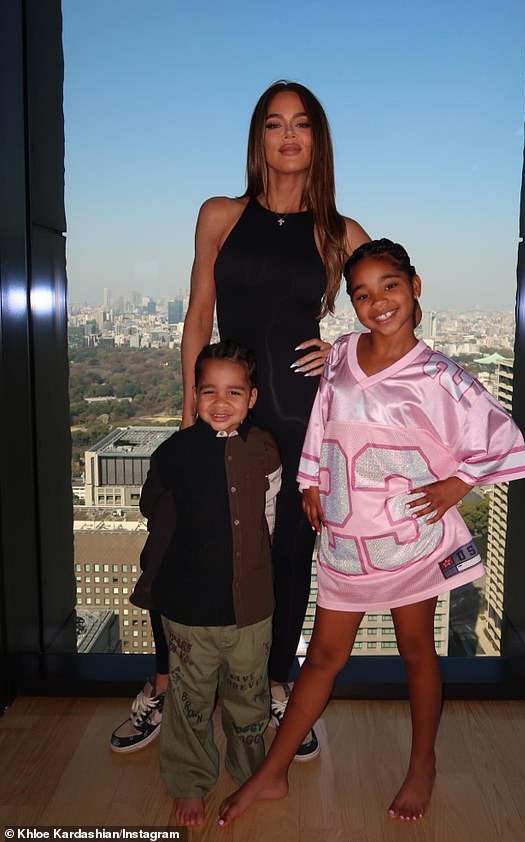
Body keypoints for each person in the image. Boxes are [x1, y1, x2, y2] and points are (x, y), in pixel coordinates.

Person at [216, 238, 525, 827]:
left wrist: (457, 485)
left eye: (390, 286)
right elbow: (322, 419)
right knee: (322, 657)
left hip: (409, 539)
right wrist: (311, 481)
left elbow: (501, 436)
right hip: (345, 539)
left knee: (416, 651)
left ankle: (422, 763)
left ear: (415, 286)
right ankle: (273, 771)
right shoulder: (341, 354)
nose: (378, 302)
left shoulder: (440, 375)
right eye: (361, 294)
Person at [110, 79, 368, 756]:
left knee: (288, 555)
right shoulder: (220, 215)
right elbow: (200, 315)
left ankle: (275, 687)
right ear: (258, 139)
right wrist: (192, 411)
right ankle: (165, 683)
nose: (288, 136)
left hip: (302, 415)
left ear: (317, 139)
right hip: (227, 408)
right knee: (179, 539)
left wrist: (343, 347)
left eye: (301, 123)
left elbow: (392, 309)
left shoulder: (340, 233)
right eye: (274, 124)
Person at [129, 339, 282, 828]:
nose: (220, 402)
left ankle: (250, 772)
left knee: (249, 698)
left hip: (250, 607)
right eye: (209, 391)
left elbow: (269, 516)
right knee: (189, 702)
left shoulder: (264, 449)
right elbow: (151, 506)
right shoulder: (174, 453)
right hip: (188, 608)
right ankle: (190, 780)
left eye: (234, 392)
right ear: (194, 395)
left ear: (251, 397)